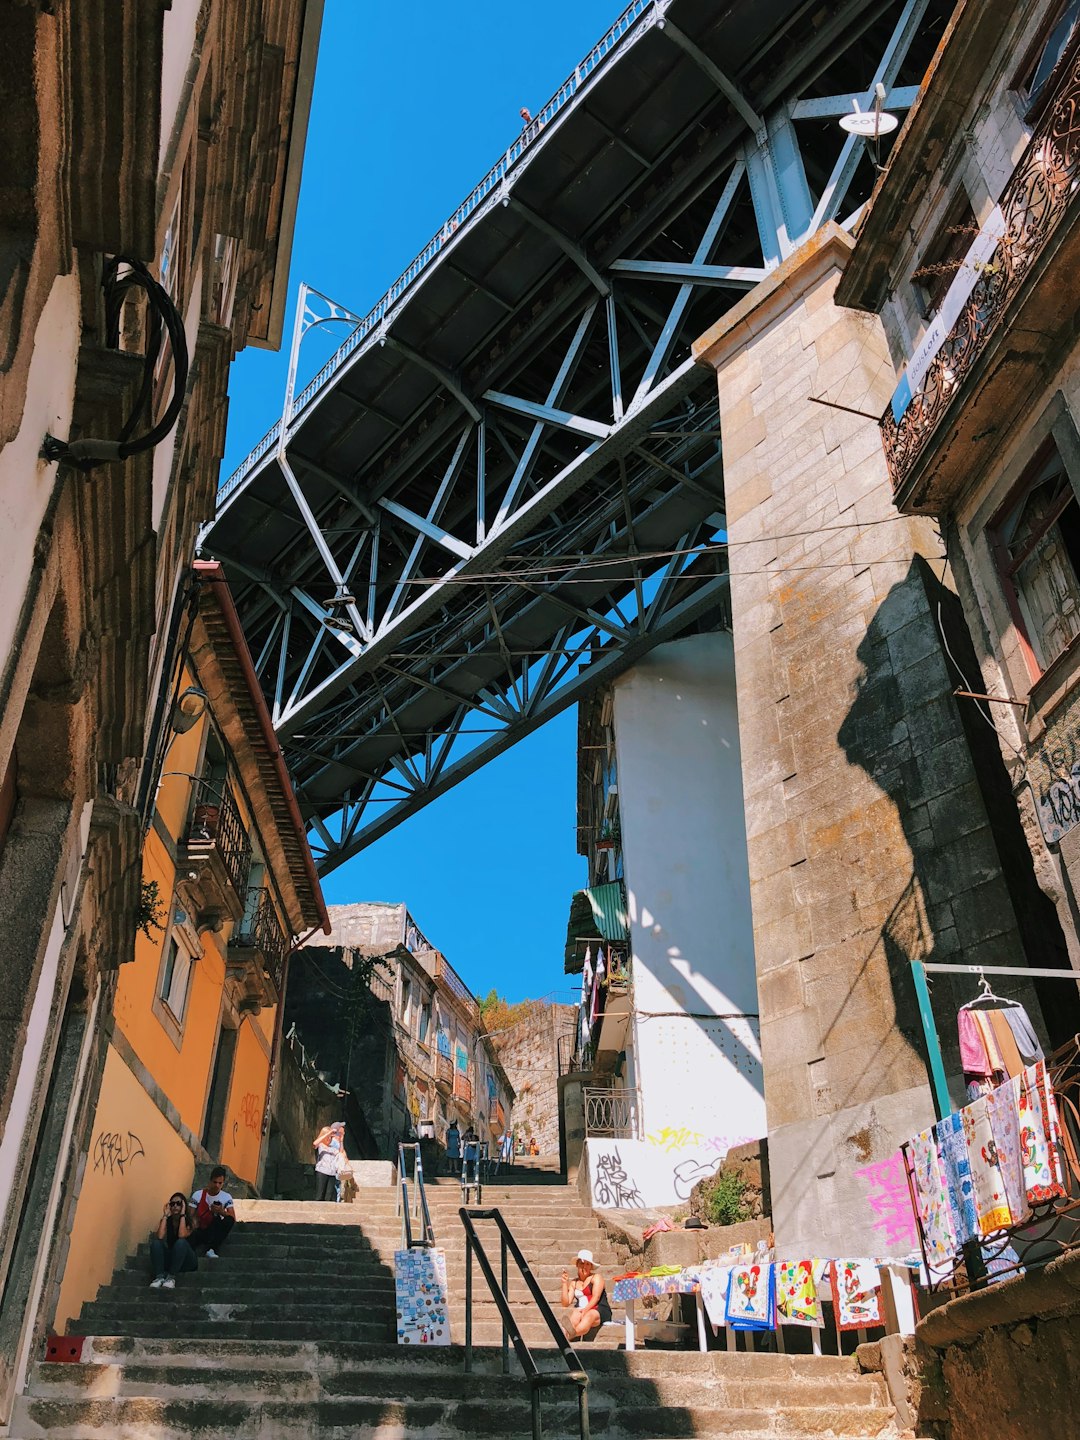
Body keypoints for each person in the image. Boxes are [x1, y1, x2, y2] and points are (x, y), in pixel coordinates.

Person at [560, 1249, 611, 1339]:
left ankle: (571, 1334)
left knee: (589, 1315)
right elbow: (565, 1303)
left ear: (591, 1266)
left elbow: (596, 1297)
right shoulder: (574, 1283)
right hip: (581, 1309)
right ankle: (566, 1332)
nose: (585, 1267)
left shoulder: (596, 1278)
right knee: (575, 1313)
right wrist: (564, 1283)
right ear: (577, 1265)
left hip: (598, 1310)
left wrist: (585, 1310)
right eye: (582, 1264)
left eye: (588, 1264)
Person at [150, 1192, 197, 1289]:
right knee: (156, 1243)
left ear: (183, 1205)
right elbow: (160, 1237)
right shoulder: (168, 1220)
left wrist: (183, 1214)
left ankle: (171, 1278)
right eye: (172, 1204)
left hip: (188, 1260)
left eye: (179, 1203)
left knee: (181, 1242)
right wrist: (165, 1216)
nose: (175, 1206)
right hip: (173, 1258)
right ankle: (159, 1277)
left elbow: (181, 1235)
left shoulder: (191, 1221)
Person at [190, 1166, 236, 1258]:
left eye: (220, 1183)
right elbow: (190, 1214)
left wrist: (222, 1211)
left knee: (223, 1219)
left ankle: (212, 1249)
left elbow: (232, 1218)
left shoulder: (226, 1197)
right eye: (215, 1182)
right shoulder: (198, 1195)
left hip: (215, 1227)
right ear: (210, 1181)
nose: (217, 1186)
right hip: (201, 1228)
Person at [313, 1121, 347, 1201]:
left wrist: (341, 1140)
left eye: (331, 1138)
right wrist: (329, 1133)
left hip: (332, 1173)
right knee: (319, 1195)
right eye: (328, 1137)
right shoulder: (321, 1145)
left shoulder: (333, 1147)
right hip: (322, 1171)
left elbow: (341, 1153)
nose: (329, 1139)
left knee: (328, 1196)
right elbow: (315, 1143)